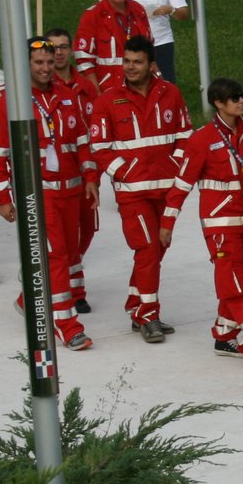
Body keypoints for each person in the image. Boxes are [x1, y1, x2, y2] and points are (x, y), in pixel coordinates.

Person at [0, 37, 96, 350]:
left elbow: (82, 140)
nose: (46, 68)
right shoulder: (11, 102)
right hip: (37, 193)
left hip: (71, 189)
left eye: (50, 61)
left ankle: (29, 298)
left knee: (71, 251)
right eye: (39, 63)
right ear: (26, 65)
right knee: (57, 254)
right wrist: (4, 198)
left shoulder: (67, 96)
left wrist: (89, 176)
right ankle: (66, 325)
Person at [161, 77, 243, 365]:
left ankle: (224, 335)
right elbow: (182, 184)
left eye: (242, 95)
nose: (241, 101)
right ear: (218, 103)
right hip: (220, 222)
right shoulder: (201, 140)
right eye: (234, 98)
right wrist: (167, 222)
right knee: (235, 279)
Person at [88, 36, 192, 343]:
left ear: (151, 64)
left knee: (158, 249)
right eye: (126, 61)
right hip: (132, 193)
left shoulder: (171, 93)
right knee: (147, 250)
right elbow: (100, 147)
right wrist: (125, 172)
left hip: (166, 189)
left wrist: (176, 167)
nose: (130, 67)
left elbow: (185, 136)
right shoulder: (107, 100)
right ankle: (149, 315)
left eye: (137, 62)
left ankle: (136, 305)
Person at [48, 26, 100, 312]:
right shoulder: (45, 89)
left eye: (63, 47)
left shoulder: (87, 87)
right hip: (60, 174)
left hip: (88, 172)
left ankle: (68, 270)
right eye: (53, 48)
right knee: (64, 233)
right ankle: (74, 287)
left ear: (71, 51)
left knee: (87, 228)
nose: (58, 52)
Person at [74, 0, 152, 92]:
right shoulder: (92, 16)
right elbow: (84, 62)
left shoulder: (138, 10)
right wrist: (97, 96)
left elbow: (150, 53)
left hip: (139, 89)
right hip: (109, 91)